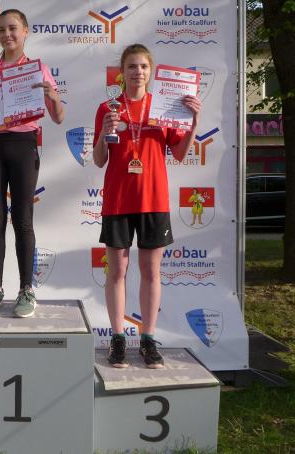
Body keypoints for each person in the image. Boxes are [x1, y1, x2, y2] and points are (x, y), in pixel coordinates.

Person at [93, 44, 201, 369]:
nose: (137, 72)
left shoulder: (165, 108)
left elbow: (179, 153)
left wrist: (194, 121)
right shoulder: (108, 108)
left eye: (142, 66)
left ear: (150, 71)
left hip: (153, 199)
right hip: (118, 200)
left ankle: (148, 339)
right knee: (117, 272)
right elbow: (99, 160)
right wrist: (104, 133)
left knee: (151, 272)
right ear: (122, 72)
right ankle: (117, 338)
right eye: (131, 66)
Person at [0, 9, 65, 318]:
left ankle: (26, 290)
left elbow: (59, 117)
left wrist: (52, 97)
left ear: (26, 31)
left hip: (23, 145)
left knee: (22, 220)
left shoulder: (38, 69)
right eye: (2, 29)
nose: (7, 34)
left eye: (13, 28)